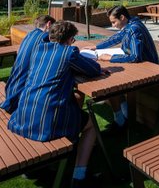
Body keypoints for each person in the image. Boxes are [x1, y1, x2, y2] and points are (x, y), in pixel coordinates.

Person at [8, 20, 105, 187]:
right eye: (73, 39)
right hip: (48, 119)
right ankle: (79, 176)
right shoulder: (69, 52)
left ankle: (69, 147)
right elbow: (93, 69)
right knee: (91, 124)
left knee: (74, 99)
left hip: (23, 113)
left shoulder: (39, 49)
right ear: (69, 39)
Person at [83, 5, 159, 133]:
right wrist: (96, 47)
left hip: (148, 69)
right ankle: (122, 111)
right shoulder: (131, 23)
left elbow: (135, 56)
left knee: (111, 81)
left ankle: (121, 118)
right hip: (141, 65)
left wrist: (110, 58)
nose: (113, 25)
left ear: (122, 17)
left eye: (114, 22)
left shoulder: (134, 29)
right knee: (110, 78)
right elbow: (116, 38)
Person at [0, 14, 55, 114]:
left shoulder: (29, 35)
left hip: (11, 91)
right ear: (49, 24)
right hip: (21, 99)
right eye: (54, 29)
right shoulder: (45, 37)